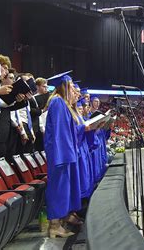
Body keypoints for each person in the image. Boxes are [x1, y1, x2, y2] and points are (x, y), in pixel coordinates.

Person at [44, 71, 92, 238]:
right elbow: (60, 133)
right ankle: (54, 226)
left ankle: (60, 221)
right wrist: (63, 155)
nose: (73, 90)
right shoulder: (57, 102)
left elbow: (69, 131)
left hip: (64, 153)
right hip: (60, 154)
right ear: (63, 86)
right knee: (58, 188)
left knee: (63, 188)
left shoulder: (62, 104)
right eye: (70, 86)